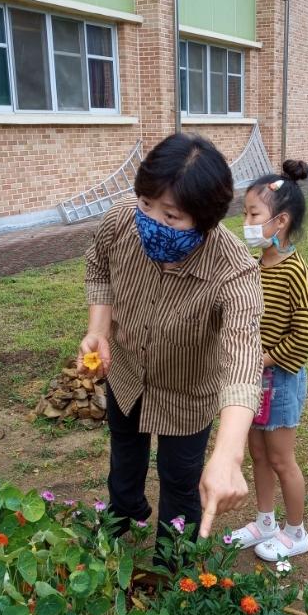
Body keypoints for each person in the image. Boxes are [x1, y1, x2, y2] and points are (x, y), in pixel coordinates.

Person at [77, 133, 263, 559]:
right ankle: (122, 515)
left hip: (186, 394)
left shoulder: (234, 272)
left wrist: (229, 455)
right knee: (124, 455)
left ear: (206, 218)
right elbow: (98, 263)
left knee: (181, 481)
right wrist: (100, 327)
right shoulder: (122, 221)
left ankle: (172, 561)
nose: (151, 221)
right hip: (124, 373)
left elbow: (242, 359)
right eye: (146, 204)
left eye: (172, 215)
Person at [230, 160, 308, 561]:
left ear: (279, 221)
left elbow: (304, 336)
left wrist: (265, 357)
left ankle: (295, 532)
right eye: (244, 212)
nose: (245, 221)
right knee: (258, 455)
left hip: (279, 380)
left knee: (282, 459)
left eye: (253, 214)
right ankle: (265, 522)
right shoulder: (251, 267)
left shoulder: (297, 273)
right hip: (249, 378)